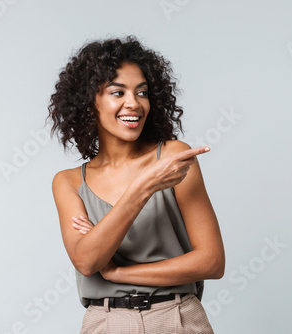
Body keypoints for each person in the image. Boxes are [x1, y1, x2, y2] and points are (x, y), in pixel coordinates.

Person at [46, 35, 225, 333]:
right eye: (118, 92)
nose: (134, 103)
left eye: (142, 92)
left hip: (176, 317)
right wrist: (143, 189)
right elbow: (88, 261)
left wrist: (117, 272)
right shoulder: (68, 182)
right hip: (105, 322)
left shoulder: (173, 157)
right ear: (90, 102)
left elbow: (211, 261)